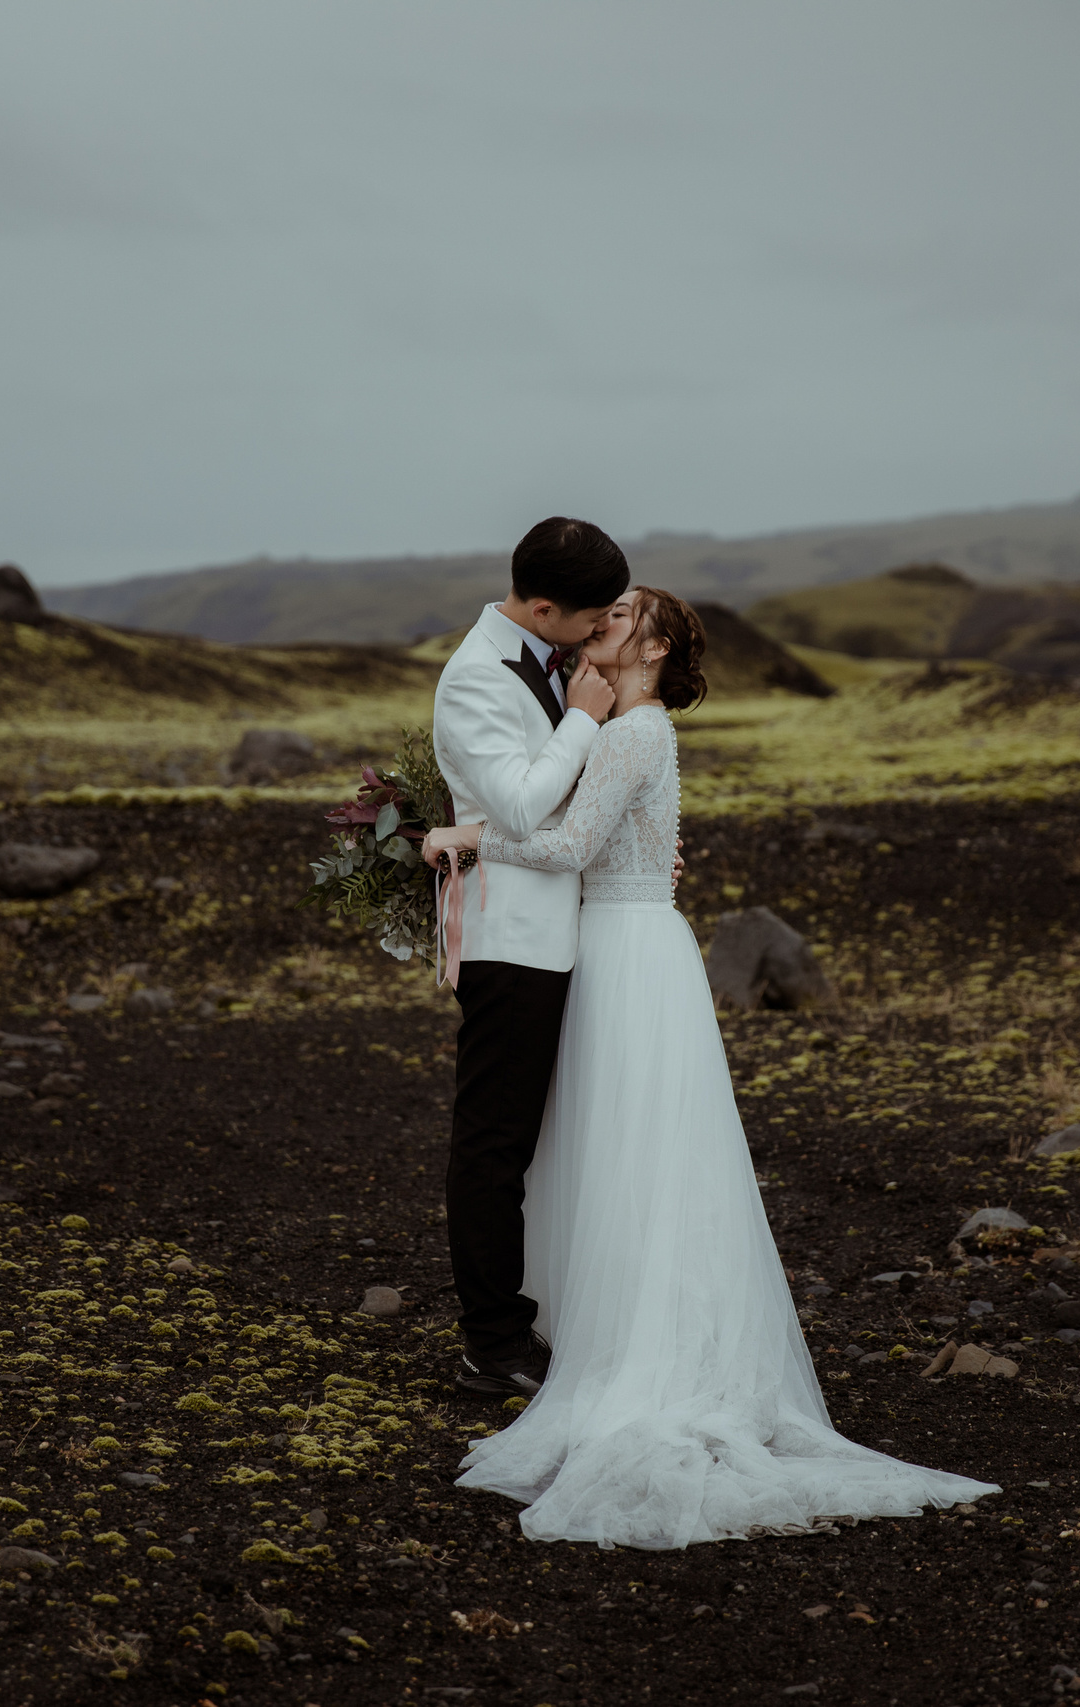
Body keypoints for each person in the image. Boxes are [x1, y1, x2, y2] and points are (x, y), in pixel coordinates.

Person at [424, 587, 996, 1549]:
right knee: (623, 1150)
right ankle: (610, 1327)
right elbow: (597, 830)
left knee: (636, 1150)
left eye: (624, 613)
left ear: (650, 645)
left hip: (626, 954)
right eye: (602, 607)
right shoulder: (622, 725)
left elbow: (565, 844)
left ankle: (641, 1349)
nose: (605, 616)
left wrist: (462, 837)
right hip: (625, 942)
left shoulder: (635, 732)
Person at [430, 517, 625, 1400]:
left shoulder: (549, 653)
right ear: (543, 606)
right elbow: (515, 808)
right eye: (590, 616)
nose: (600, 629)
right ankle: (493, 1343)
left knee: (546, 1141)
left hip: (566, 932)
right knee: (494, 1145)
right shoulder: (474, 677)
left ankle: (541, 1316)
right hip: (510, 943)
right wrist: (585, 720)